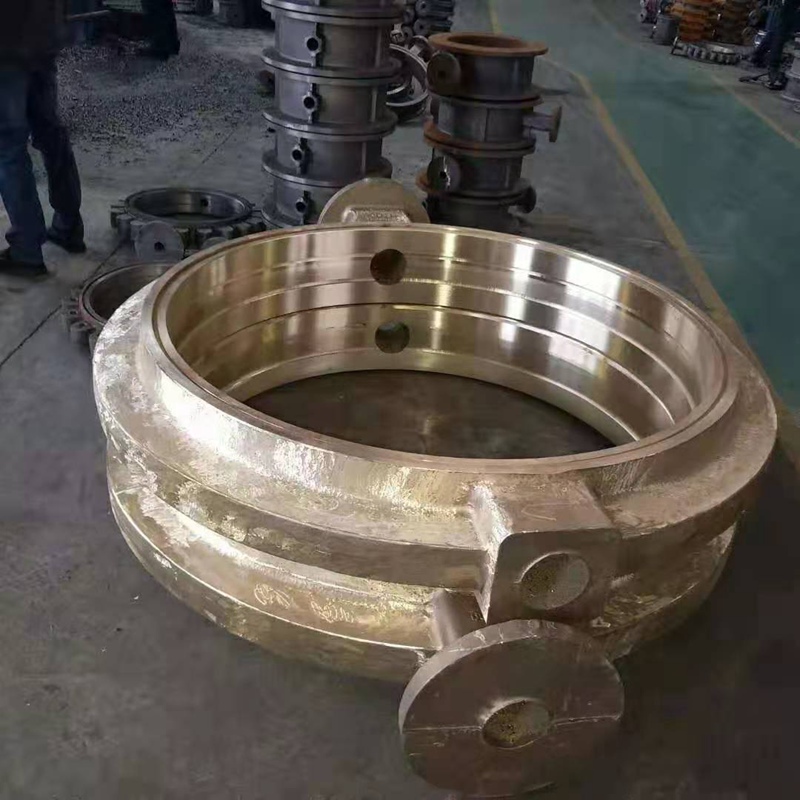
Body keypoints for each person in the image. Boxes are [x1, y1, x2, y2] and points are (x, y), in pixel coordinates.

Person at [0, 1, 85, 279]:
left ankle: (26, 249)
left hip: (6, 43)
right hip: (43, 34)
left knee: (8, 147)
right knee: (50, 132)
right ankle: (68, 226)